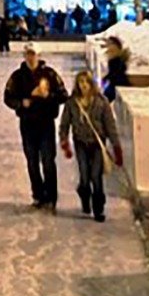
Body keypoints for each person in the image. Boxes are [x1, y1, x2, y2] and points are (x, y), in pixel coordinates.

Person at [4, 45, 68, 212]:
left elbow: (63, 95)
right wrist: (21, 103)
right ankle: (38, 195)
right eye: (28, 55)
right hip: (27, 124)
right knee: (32, 161)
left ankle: (51, 197)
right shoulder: (17, 76)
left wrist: (49, 96)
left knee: (48, 161)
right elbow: (8, 97)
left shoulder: (50, 74)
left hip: (46, 123)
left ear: (39, 55)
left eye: (33, 55)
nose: (31, 58)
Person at [59, 70, 123, 222]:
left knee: (96, 176)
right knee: (84, 176)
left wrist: (116, 148)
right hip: (80, 143)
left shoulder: (102, 102)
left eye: (86, 82)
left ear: (91, 84)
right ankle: (85, 197)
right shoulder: (72, 102)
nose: (84, 86)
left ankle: (99, 208)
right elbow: (64, 124)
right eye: (81, 82)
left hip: (97, 144)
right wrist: (65, 142)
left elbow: (110, 126)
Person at [101, 36, 130, 101]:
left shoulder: (118, 59)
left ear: (116, 45)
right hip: (114, 83)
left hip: (118, 84)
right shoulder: (113, 57)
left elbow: (116, 72)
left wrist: (106, 78)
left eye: (110, 43)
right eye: (108, 44)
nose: (108, 46)